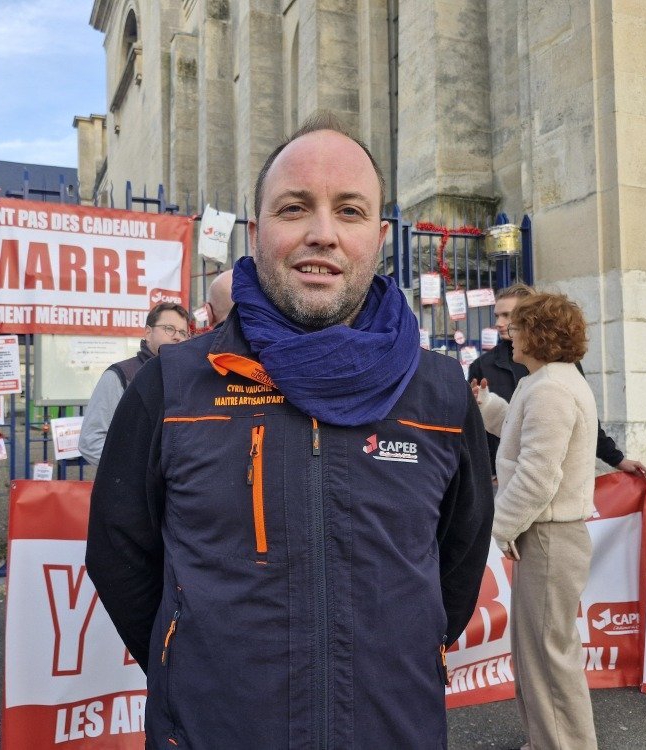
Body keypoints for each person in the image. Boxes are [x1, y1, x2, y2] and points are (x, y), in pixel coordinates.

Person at [86, 113, 494, 748]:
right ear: (257, 231)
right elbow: (119, 555)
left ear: (381, 236)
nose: (322, 234)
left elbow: (458, 566)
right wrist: (192, 664)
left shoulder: (440, 393)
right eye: (295, 208)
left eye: (350, 211)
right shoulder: (171, 385)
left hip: (395, 727)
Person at [473, 292, 599, 749]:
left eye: (518, 325)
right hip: (545, 533)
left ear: (540, 335)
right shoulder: (544, 382)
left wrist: (499, 527)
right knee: (537, 651)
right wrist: (488, 405)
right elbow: (521, 434)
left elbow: (537, 475)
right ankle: (545, 740)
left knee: (547, 655)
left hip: (549, 534)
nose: (509, 333)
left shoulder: (549, 387)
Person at [468, 282, 646, 477]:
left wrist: (617, 459)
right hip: (500, 477)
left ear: (531, 317)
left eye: (508, 315)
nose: (500, 323)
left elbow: (584, 422)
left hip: (548, 479)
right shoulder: (483, 365)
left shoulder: (559, 367)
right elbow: (494, 427)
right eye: (497, 315)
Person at [77, 302, 192, 466]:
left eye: (183, 332)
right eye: (169, 329)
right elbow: (91, 441)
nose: (177, 336)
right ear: (148, 332)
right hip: (135, 488)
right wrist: (136, 472)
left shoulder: (187, 379)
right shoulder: (121, 375)